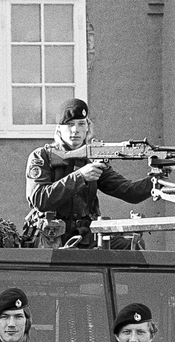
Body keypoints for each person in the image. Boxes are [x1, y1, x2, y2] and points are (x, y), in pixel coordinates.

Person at [24, 98, 154, 248]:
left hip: (85, 236)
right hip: (52, 238)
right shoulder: (42, 156)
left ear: (87, 128)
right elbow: (39, 199)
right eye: (70, 124)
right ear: (58, 128)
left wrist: (157, 179)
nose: (75, 130)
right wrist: (80, 177)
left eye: (81, 124)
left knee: (131, 244)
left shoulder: (91, 159)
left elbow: (129, 191)